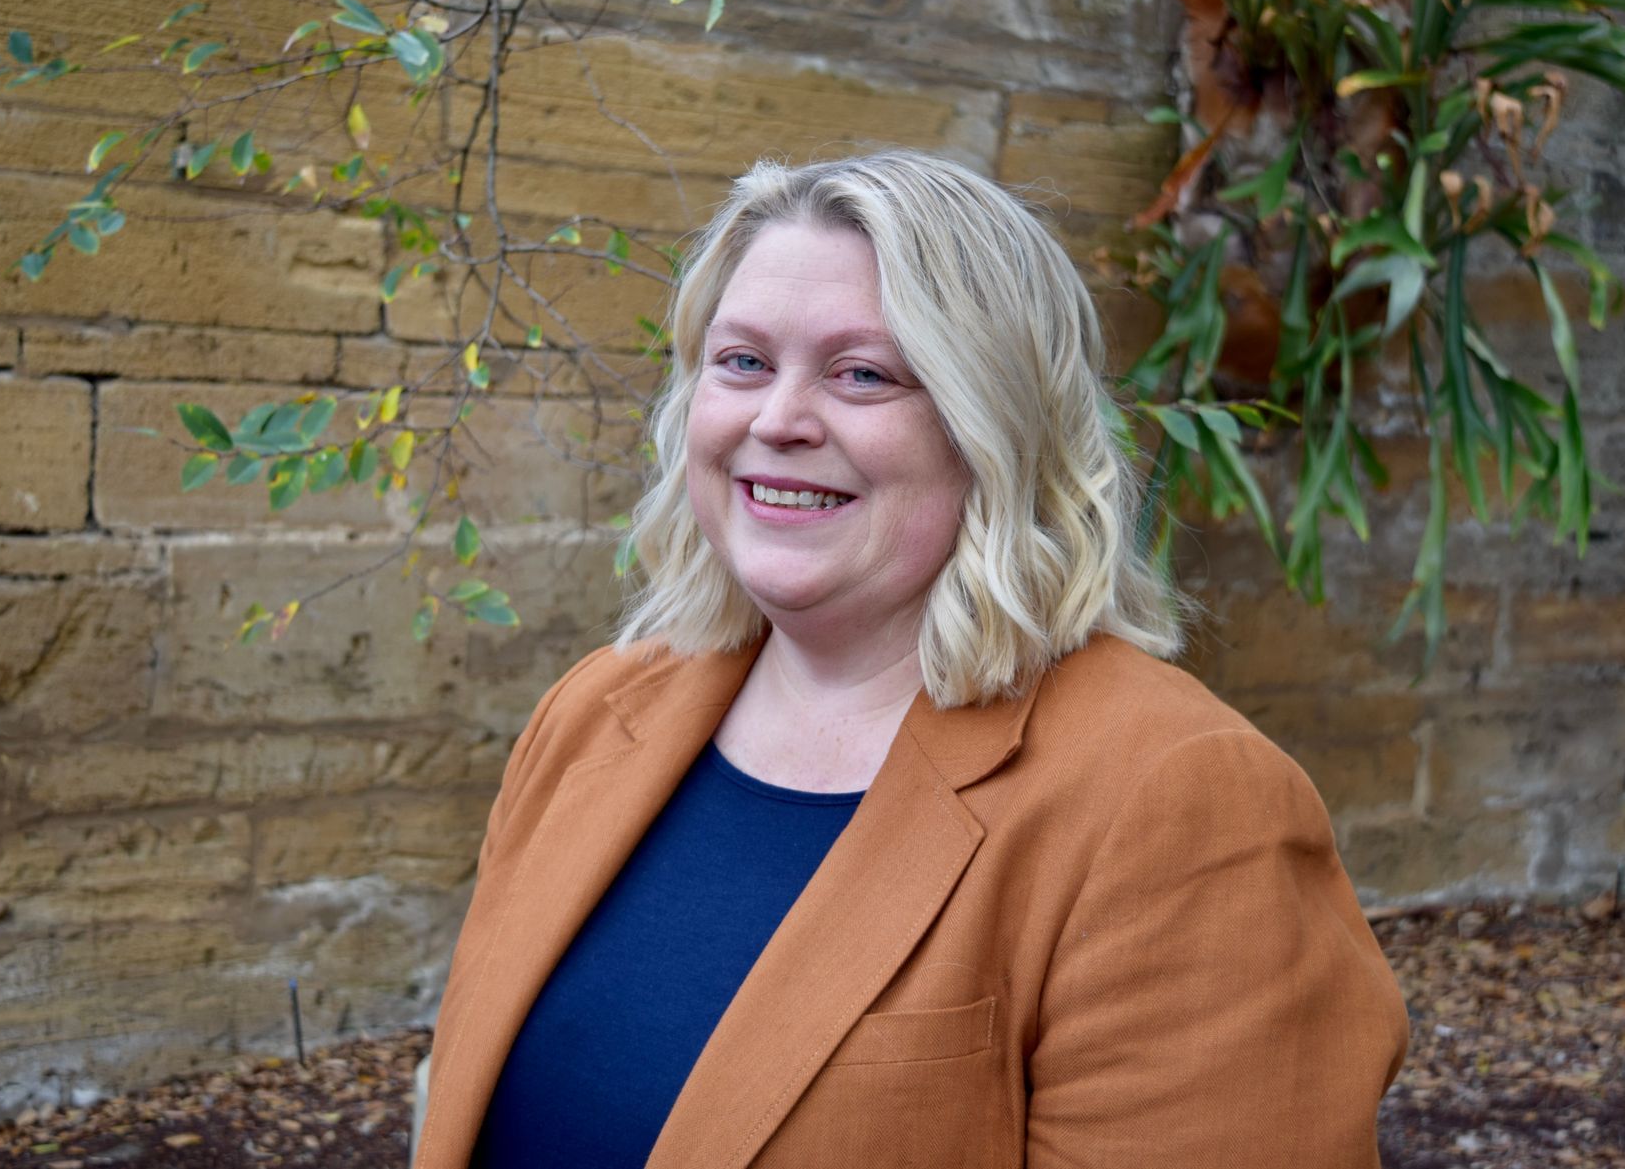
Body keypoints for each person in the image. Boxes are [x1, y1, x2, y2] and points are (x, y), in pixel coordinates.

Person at [412, 150, 1408, 1169]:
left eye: (862, 374)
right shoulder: (593, 713)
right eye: (743, 361)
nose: (777, 420)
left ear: (996, 425)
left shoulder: (1181, 802)